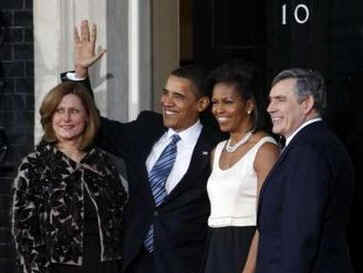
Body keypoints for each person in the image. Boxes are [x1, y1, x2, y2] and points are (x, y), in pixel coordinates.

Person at [62, 20, 223, 273]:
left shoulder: (217, 146)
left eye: (178, 96)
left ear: (202, 104)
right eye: (165, 92)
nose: (166, 102)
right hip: (133, 260)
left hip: (184, 265)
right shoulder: (147, 128)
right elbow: (96, 127)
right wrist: (80, 74)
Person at [11, 82, 128, 273]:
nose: (66, 118)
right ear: (50, 117)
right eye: (59, 111)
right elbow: (25, 235)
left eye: (74, 111)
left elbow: (122, 221)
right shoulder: (34, 165)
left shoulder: (103, 163)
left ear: (87, 117)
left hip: (107, 267)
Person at [256, 68, 354, 273]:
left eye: (280, 100)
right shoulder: (315, 143)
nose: (270, 108)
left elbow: (299, 236)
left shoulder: (308, 151)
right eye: (270, 100)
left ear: (307, 104)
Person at [203, 62, 279, 273]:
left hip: (247, 249)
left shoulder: (265, 150)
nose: (218, 109)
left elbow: (268, 220)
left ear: (249, 105)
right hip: (216, 248)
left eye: (228, 102)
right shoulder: (216, 151)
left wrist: (250, 268)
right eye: (215, 102)